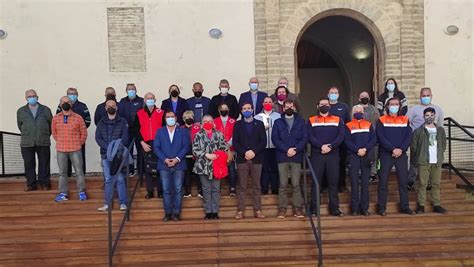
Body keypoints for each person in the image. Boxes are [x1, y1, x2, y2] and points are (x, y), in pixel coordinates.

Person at [376, 97, 414, 216]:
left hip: (401, 155)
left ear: (400, 106)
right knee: (383, 181)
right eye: (391, 104)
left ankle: (405, 206)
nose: (394, 106)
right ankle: (381, 207)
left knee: (403, 181)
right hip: (386, 155)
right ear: (387, 106)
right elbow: (380, 137)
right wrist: (393, 149)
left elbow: (408, 137)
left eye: (396, 104)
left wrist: (400, 150)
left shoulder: (405, 120)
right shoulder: (381, 120)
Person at [308, 97, 345, 217]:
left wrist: (330, 146)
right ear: (317, 106)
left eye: (326, 104)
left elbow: (341, 136)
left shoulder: (338, 119)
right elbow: (309, 136)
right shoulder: (311, 120)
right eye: (321, 104)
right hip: (317, 155)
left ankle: (335, 208)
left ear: (330, 106)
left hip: (333, 155)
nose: (324, 105)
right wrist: (321, 146)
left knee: (333, 182)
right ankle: (314, 209)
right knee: (315, 182)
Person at [272, 100, 308, 219]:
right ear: (283, 108)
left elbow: (304, 138)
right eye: (287, 106)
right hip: (282, 156)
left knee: (296, 184)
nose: (289, 108)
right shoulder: (278, 122)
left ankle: (297, 208)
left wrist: (295, 149)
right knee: (282, 184)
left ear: (294, 108)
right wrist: (286, 149)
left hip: (296, 156)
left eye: (291, 106)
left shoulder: (301, 121)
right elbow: (275, 138)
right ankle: (282, 208)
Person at [153, 111, 189, 222]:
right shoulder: (160, 131)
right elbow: (156, 147)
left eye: (172, 116)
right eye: (168, 117)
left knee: (178, 190)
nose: (170, 118)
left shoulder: (182, 131)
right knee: (166, 190)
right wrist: (165, 159)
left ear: (176, 118)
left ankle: (176, 213)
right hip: (164, 165)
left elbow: (186, 146)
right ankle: (168, 213)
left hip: (179, 164)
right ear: (165, 119)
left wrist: (177, 159)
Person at [233, 102, 267, 219]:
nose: (246, 110)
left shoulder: (260, 124)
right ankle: (240, 210)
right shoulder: (237, 125)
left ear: (252, 110)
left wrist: (254, 152)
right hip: (242, 159)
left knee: (257, 185)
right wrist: (244, 152)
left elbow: (263, 141)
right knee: (242, 185)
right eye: (244, 108)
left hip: (256, 158)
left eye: (249, 108)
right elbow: (235, 142)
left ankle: (258, 210)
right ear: (241, 111)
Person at [407, 87, 445, 190]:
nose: (426, 97)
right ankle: (410, 181)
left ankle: (428, 183)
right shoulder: (413, 110)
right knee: (414, 162)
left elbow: (440, 124)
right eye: (424, 96)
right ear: (420, 96)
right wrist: (412, 134)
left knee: (430, 162)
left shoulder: (438, 110)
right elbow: (407, 122)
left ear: (431, 96)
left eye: (428, 95)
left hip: (432, 140)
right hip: (417, 139)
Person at [411, 107, 447, 214]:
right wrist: (420, 156)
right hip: (423, 161)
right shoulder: (418, 131)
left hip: (436, 161)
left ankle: (436, 204)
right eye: (427, 115)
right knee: (422, 184)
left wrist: (439, 154)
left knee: (436, 184)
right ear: (423, 117)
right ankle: (421, 205)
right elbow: (414, 147)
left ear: (435, 116)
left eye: (432, 115)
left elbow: (443, 144)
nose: (429, 117)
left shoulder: (440, 130)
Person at [52, 96, 88, 202]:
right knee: (62, 173)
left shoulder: (78, 117)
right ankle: (63, 193)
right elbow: (54, 132)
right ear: (60, 104)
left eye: (67, 102)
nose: (65, 103)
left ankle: (81, 192)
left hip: (75, 149)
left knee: (79, 171)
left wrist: (78, 143)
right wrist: (60, 141)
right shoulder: (56, 118)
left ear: (71, 104)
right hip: (61, 149)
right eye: (63, 102)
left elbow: (84, 132)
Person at [192, 115, 229, 219]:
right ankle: (208, 211)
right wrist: (206, 154)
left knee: (216, 189)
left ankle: (215, 211)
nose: (207, 123)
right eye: (205, 121)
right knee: (206, 189)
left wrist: (217, 155)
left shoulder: (219, 134)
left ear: (213, 123)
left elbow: (224, 147)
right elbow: (195, 149)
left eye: (210, 121)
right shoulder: (198, 135)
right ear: (202, 123)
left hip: (217, 165)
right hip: (203, 166)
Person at [95, 100, 130, 212]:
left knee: (120, 179)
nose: (111, 107)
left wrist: (115, 148)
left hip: (118, 156)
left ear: (117, 107)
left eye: (113, 106)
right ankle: (107, 204)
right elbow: (98, 138)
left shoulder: (123, 121)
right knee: (108, 179)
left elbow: (125, 138)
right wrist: (109, 148)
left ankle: (123, 203)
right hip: (105, 155)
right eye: (108, 106)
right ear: (105, 108)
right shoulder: (101, 122)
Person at [17, 89, 53, 191]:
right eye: (29, 96)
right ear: (26, 98)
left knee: (44, 163)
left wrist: (43, 134)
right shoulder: (21, 111)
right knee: (29, 163)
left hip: (43, 140)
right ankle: (31, 184)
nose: (31, 98)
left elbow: (50, 124)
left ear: (37, 97)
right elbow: (20, 125)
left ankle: (44, 183)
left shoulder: (46, 110)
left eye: (33, 96)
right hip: (27, 142)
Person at [344, 105, 377, 216]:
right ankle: (354, 208)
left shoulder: (369, 125)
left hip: (366, 156)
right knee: (354, 183)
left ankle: (364, 208)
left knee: (365, 184)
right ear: (353, 112)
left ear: (363, 113)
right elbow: (347, 141)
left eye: (360, 111)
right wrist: (357, 149)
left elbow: (373, 139)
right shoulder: (348, 125)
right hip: (354, 156)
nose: (358, 112)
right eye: (356, 110)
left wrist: (364, 149)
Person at [133, 92, 164, 199]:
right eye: (148, 98)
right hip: (145, 143)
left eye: (152, 98)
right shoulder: (139, 113)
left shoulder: (161, 112)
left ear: (155, 100)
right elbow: (136, 129)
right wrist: (142, 142)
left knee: (160, 167)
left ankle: (160, 191)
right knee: (147, 168)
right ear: (144, 100)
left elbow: (165, 129)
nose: (150, 100)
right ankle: (150, 191)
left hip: (158, 144)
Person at [56, 87, 91, 176]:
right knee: (65, 161)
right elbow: (56, 123)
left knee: (80, 159)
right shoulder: (61, 106)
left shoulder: (83, 106)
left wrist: (80, 132)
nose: (72, 96)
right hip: (64, 140)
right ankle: (68, 176)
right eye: (70, 94)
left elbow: (88, 120)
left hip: (78, 138)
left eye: (74, 94)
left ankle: (81, 177)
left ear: (77, 95)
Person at [255, 97, 281, 195]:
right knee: (264, 168)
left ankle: (275, 188)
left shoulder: (278, 116)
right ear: (262, 103)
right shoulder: (257, 117)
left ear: (273, 104)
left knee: (274, 168)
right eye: (266, 102)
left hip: (275, 146)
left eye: (270, 102)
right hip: (263, 147)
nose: (268, 103)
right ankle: (264, 188)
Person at [327, 86, 351, 193]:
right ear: (328, 94)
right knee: (327, 164)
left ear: (338, 94)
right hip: (327, 140)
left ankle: (341, 184)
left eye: (335, 92)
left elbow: (348, 123)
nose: (333, 94)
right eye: (331, 92)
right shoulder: (325, 106)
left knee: (341, 163)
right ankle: (325, 185)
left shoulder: (344, 107)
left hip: (341, 140)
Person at [118, 83, 144, 176]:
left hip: (139, 130)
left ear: (136, 90)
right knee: (128, 151)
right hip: (127, 130)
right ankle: (130, 170)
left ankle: (141, 170)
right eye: (129, 89)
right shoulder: (122, 101)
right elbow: (120, 115)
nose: (131, 91)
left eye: (133, 89)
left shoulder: (141, 101)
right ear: (126, 91)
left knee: (141, 150)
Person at [214, 103, 238, 196]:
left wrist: (228, 145)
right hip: (218, 149)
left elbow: (235, 134)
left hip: (230, 149)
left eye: (226, 108)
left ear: (228, 109)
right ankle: (218, 189)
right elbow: (213, 134)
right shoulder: (215, 121)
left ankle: (232, 188)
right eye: (222, 108)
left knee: (231, 169)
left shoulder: (233, 121)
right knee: (218, 169)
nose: (224, 109)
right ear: (219, 110)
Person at [357, 91, 380, 182]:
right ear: (359, 98)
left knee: (373, 155)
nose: (364, 97)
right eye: (362, 96)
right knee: (361, 155)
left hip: (373, 135)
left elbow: (377, 122)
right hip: (360, 135)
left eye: (366, 96)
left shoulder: (374, 109)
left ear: (369, 98)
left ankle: (373, 174)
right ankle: (360, 173)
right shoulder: (356, 109)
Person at [182, 111, 203, 198]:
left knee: (198, 173)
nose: (189, 119)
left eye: (190, 117)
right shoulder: (180, 128)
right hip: (185, 155)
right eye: (186, 117)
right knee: (186, 173)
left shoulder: (198, 127)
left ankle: (200, 191)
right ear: (183, 119)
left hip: (197, 154)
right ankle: (187, 191)